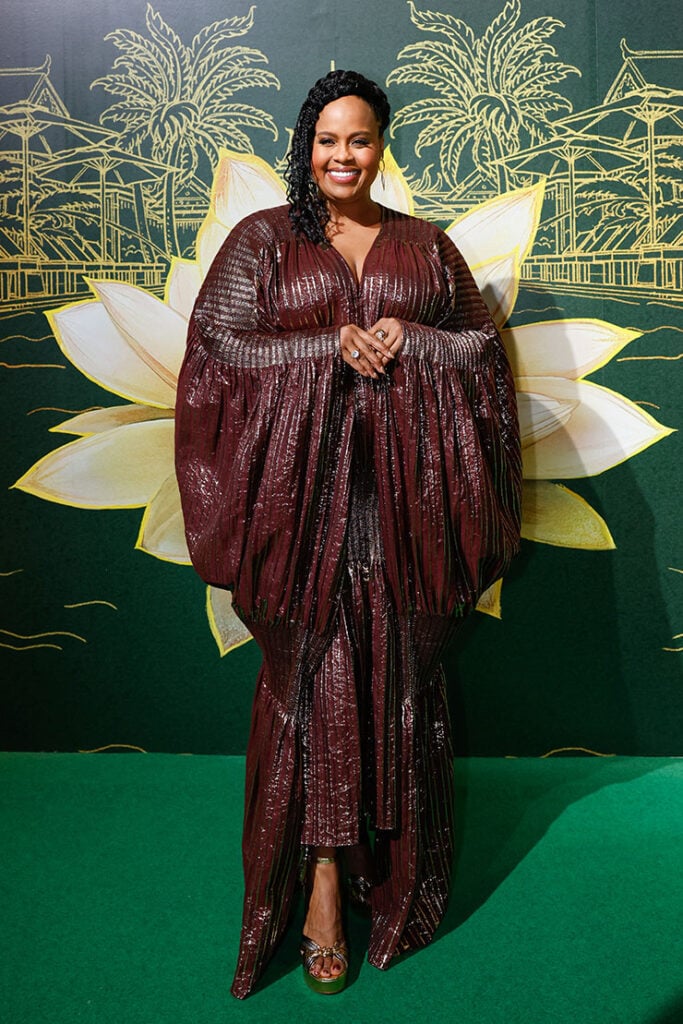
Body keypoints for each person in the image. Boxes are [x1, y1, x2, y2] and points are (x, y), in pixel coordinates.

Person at [175, 69, 522, 999]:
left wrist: (412, 337)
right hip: (300, 522)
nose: (342, 156)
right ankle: (324, 878)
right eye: (327, 140)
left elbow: (480, 351)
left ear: (382, 146)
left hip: (406, 521)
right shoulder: (263, 242)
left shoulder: (424, 246)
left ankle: (392, 870)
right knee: (321, 682)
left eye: (360, 139)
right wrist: (324, 346)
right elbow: (220, 348)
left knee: (398, 679)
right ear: (305, 145)